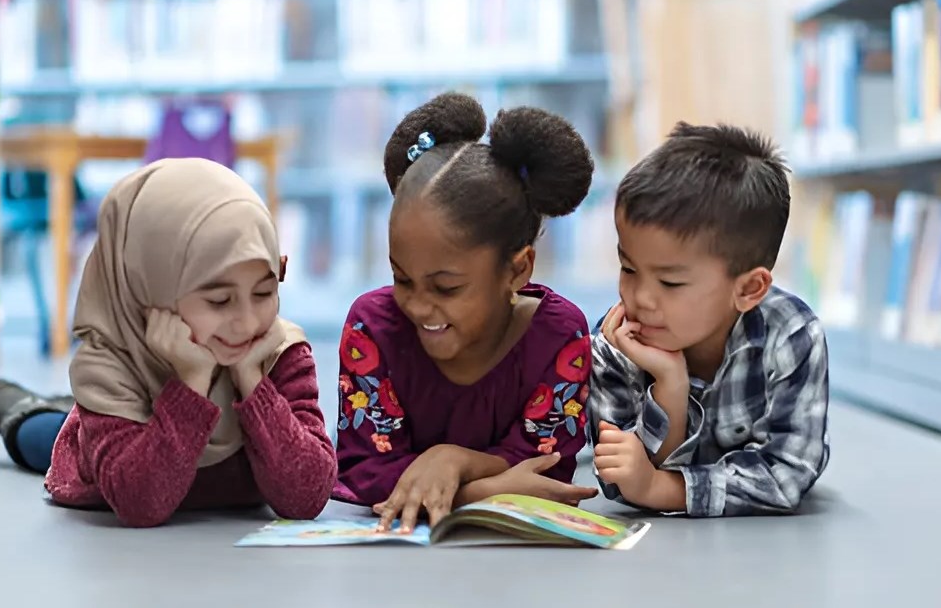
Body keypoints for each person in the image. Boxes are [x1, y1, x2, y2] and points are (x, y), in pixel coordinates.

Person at [0, 157, 337, 527]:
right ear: (152, 286)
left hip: (157, 422)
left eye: (263, 292)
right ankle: (19, 408)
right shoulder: (111, 364)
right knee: (44, 435)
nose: (246, 322)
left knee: (77, 418)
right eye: (219, 300)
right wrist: (192, 383)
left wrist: (252, 381)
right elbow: (141, 504)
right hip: (104, 457)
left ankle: (67, 409)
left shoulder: (278, 350)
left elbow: (307, 496)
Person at [332, 91, 600, 533]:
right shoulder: (372, 327)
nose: (418, 305)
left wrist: (451, 460)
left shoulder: (560, 337)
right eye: (402, 278)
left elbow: (545, 472)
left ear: (517, 270)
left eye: (446, 287)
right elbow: (365, 471)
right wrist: (479, 490)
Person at [587, 121, 830, 517]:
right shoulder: (615, 341)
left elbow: (786, 476)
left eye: (670, 282)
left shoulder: (791, 336)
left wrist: (661, 488)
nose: (639, 297)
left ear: (749, 289)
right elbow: (618, 480)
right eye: (628, 268)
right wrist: (670, 385)